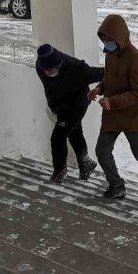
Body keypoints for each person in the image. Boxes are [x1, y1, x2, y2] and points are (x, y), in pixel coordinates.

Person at [89, 14, 138, 206]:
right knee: (102, 150)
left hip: (132, 115)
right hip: (113, 115)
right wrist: (99, 88)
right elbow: (109, 77)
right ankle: (117, 185)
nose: (106, 42)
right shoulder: (110, 53)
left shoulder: (136, 59)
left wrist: (112, 102)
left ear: (120, 36)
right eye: (104, 38)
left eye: (110, 38)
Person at [35, 44, 103, 184]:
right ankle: (85, 162)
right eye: (45, 69)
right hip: (60, 106)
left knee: (57, 138)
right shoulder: (40, 66)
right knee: (74, 132)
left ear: (59, 64)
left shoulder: (77, 68)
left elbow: (103, 73)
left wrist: (99, 89)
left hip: (76, 106)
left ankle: (60, 170)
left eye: (51, 69)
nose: (48, 72)